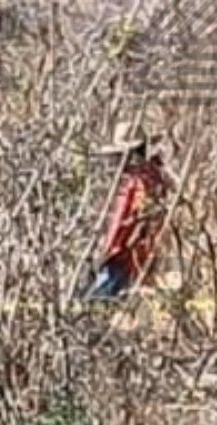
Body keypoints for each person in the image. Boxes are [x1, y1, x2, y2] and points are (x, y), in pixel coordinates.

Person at [85, 123, 170, 300]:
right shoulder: (156, 177)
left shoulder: (135, 183)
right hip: (141, 256)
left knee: (95, 302)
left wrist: (106, 253)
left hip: (122, 258)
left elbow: (123, 222)